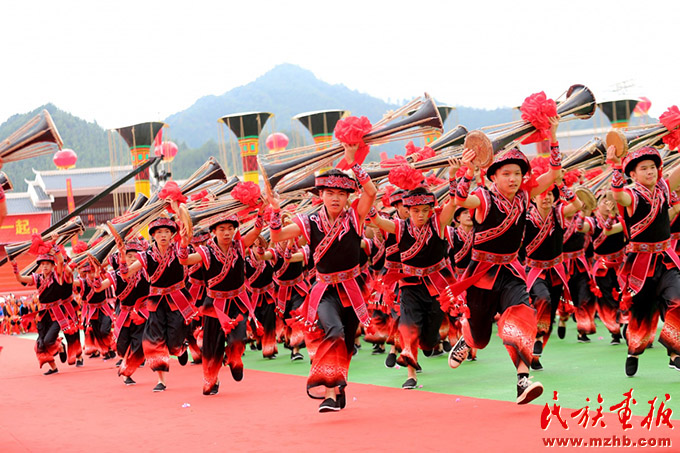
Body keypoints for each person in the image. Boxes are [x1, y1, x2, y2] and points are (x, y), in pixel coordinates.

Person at [448, 116, 561, 405]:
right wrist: (467, 170)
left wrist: (554, 136)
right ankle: (467, 339)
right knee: (481, 338)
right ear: (493, 177)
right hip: (482, 273)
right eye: (506, 173)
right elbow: (462, 201)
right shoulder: (483, 198)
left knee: (522, 314)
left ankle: (523, 379)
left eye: (517, 174)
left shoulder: (524, 196)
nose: (513, 179)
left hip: (511, 270)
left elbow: (555, 176)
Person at [267, 143, 377, 412]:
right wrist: (274, 213)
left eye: (341, 193)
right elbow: (278, 237)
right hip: (325, 290)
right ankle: (328, 390)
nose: (335, 198)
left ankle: (338, 388)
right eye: (330, 193)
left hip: (352, 289)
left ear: (348, 196)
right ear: (321, 196)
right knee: (334, 331)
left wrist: (353, 163)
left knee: (347, 344)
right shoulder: (310, 221)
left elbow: (371, 192)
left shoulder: (355, 217)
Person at [370, 161, 459, 389]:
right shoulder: (399, 227)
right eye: (415, 211)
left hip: (435, 287)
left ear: (431, 210)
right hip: (409, 286)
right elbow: (377, 221)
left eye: (424, 211)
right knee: (408, 327)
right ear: (407, 211)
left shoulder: (438, 225)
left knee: (429, 339)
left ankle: (429, 345)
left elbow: (455, 202)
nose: (420, 215)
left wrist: (452, 175)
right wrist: (368, 193)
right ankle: (411, 375)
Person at [607, 145, 680, 376]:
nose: (650, 172)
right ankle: (633, 351)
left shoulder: (664, 188)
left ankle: (675, 351)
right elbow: (618, 195)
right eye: (644, 168)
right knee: (642, 314)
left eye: (653, 167)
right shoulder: (631, 195)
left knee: (677, 301)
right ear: (633, 174)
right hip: (641, 264)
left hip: (666, 258)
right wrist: (615, 166)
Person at [178, 208, 264, 395]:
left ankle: (234, 358)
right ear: (213, 232)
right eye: (222, 229)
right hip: (214, 306)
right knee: (211, 346)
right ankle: (212, 378)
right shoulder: (206, 252)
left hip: (238, 301)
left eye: (230, 228)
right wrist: (184, 243)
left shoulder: (240, 246)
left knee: (239, 338)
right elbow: (185, 261)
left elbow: (257, 231)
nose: (226, 232)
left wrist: (263, 212)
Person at [117, 215, 197, 392]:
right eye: (159, 232)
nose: (163, 235)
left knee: (175, 340)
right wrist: (123, 256)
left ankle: (180, 345)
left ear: (171, 235)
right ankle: (161, 380)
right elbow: (126, 274)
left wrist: (183, 228)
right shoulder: (146, 256)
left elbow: (187, 250)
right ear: (153, 235)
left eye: (166, 232)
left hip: (177, 299)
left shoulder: (179, 249)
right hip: (155, 302)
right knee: (155, 340)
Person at [524, 177, 582, 370]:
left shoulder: (559, 214)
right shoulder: (524, 218)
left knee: (549, 311)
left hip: (556, 271)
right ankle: (536, 337)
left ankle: (535, 353)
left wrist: (561, 183)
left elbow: (577, 204)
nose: (546, 197)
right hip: (533, 271)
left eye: (549, 193)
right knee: (543, 299)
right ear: (533, 198)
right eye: (542, 193)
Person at [11, 251, 69, 374]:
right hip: (43, 314)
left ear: (53, 265)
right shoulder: (37, 278)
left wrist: (56, 249)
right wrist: (14, 266)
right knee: (41, 344)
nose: (44, 266)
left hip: (57, 313)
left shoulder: (57, 276)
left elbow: (61, 262)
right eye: (42, 264)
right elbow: (20, 278)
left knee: (48, 341)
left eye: (47, 264)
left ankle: (60, 345)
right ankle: (54, 368)